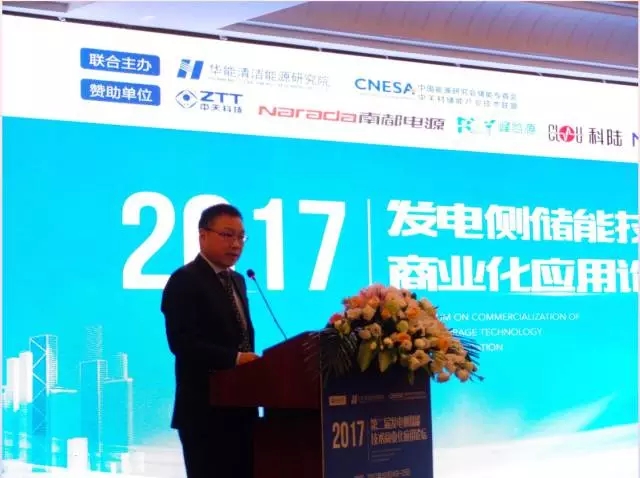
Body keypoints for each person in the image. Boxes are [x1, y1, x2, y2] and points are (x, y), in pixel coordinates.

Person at [161, 203, 259, 478]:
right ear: (203, 235)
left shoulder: (238, 280)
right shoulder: (184, 280)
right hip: (204, 412)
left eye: (241, 237)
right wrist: (235, 359)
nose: (236, 244)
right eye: (227, 235)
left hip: (242, 409)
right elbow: (182, 343)